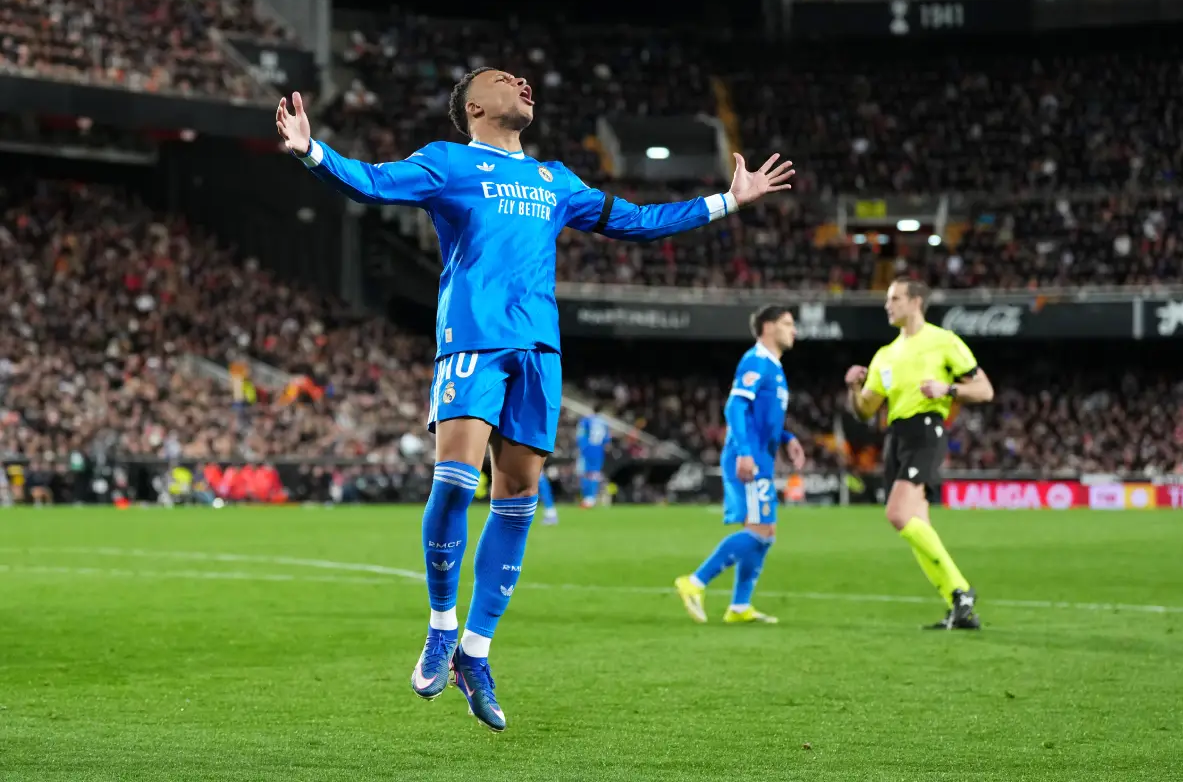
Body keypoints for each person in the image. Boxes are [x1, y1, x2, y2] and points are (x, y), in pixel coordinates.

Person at [275, 69, 794, 731]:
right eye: (503, 79)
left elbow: (635, 222)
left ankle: (476, 652)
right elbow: (373, 182)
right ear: (474, 105)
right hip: (474, 338)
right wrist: (313, 152)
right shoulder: (448, 162)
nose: (521, 81)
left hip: (539, 350)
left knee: (516, 498)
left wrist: (726, 201)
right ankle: (440, 624)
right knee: (458, 480)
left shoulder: (556, 180)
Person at [844, 277, 993, 629]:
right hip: (896, 436)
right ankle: (959, 608)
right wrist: (854, 387)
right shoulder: (885, 355)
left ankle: (960, 589)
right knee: (917, 523)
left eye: (894, 298)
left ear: (915, 302)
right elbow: (866, 410)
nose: (887, 305)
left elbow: (985, 390)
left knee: (897, 514)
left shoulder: (943, 341)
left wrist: (949, 388)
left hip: (926, 430)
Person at [674, 305, 806, 625]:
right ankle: (695, 582)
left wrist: (787, 437)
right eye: (788, 324)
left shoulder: (773, 366)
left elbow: (762, 416)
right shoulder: (756, 360)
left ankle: (739, 606)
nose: (794, 331)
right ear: (768, 326)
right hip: (748, 456)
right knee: (759, 530)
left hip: (761, 454)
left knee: (766, 530)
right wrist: (745, 452)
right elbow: (735, 406)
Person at [575, 411, 610, 508]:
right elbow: (607, 439)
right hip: (599, 450)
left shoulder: (586, 420)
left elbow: (580, 435)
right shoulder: (604, 422)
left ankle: (587, 498)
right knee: (595, 474)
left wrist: (582, 447)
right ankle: (591, 498)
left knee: (584, 473)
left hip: (587, 449)